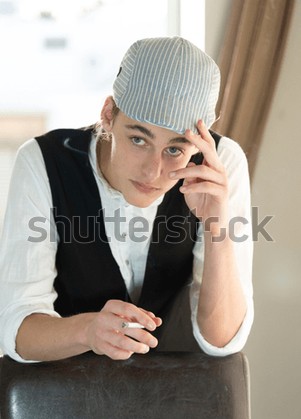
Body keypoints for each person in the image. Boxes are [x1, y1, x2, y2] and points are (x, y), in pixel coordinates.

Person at [0, 37, 253, 363]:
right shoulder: (43, 162)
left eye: (175, 149)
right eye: (138, 139)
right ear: (108, 115)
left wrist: (217, 224)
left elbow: (223, 341)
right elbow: (16, 332)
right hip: (64, 398)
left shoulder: (220, 164)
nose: (153, 171)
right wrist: (88, 331)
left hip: (181, 399)